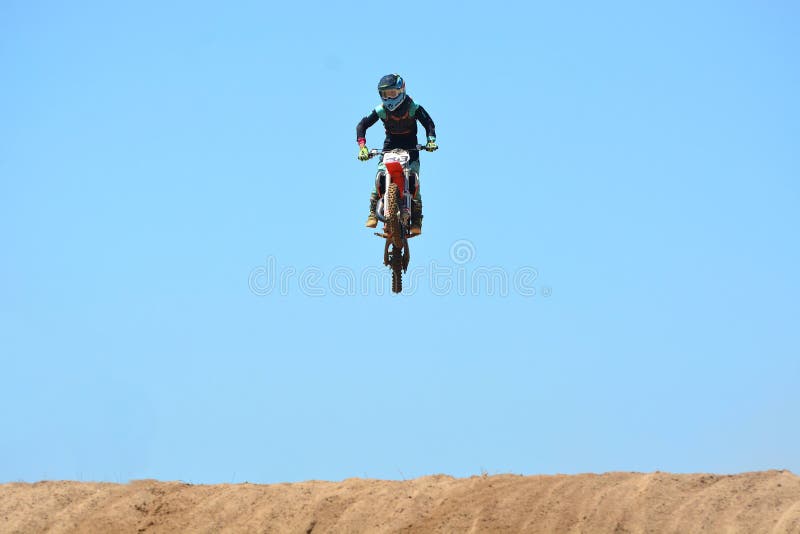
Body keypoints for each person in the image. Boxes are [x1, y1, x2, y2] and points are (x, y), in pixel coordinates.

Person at [356, 73, 437, 235]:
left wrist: (431, 140)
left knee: (414, 179)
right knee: (379, 175)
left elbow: (428, 123)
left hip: (411, 147)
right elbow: (362, 125)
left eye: (392, 93)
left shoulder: (413, 106)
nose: (389, 97)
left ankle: (417, 219)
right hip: (390, 145)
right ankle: (373, 212)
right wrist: (362, 147)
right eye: (385, 94)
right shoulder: (381, 110)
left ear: (401, 90)